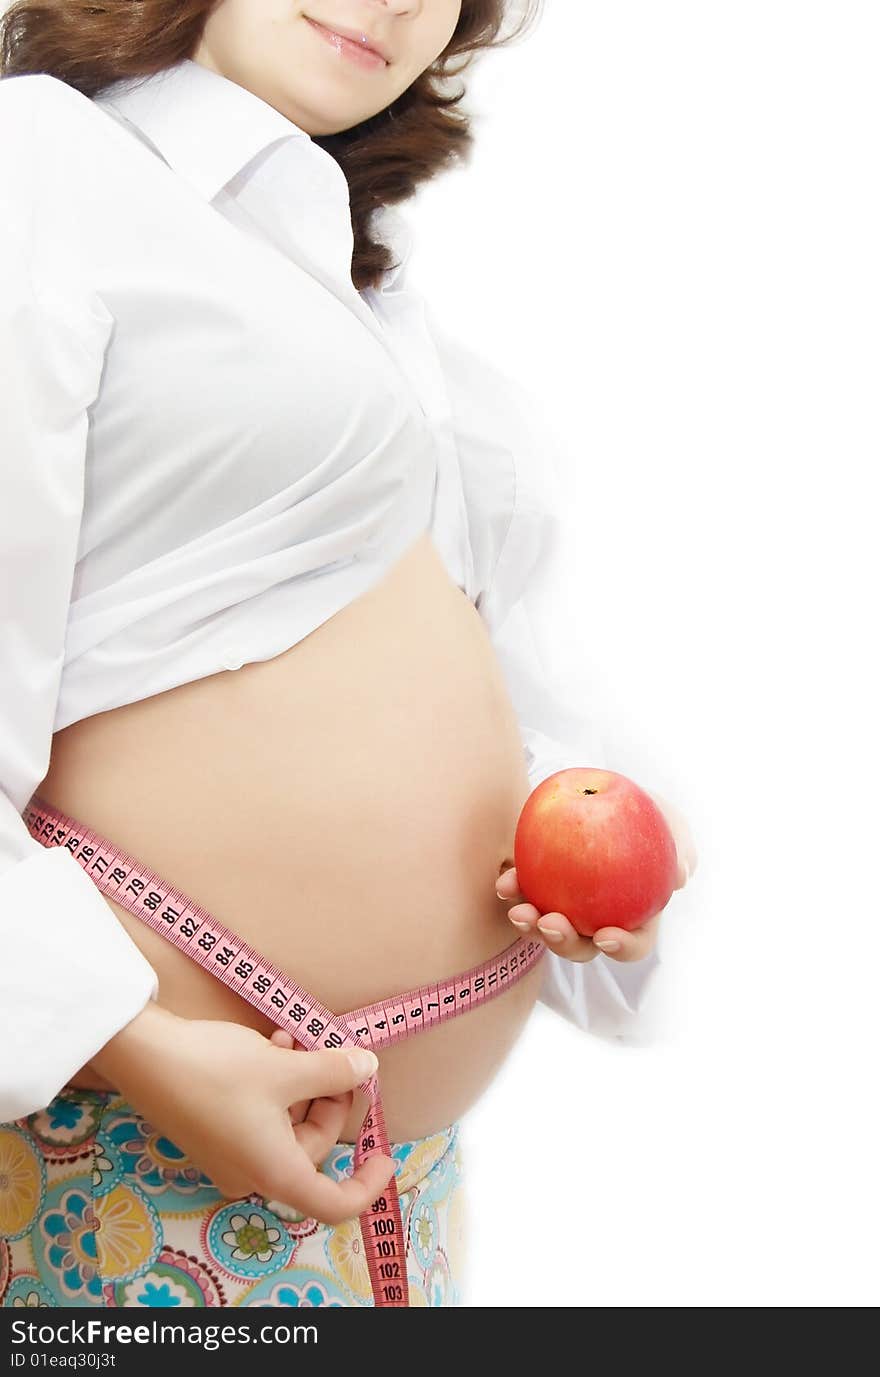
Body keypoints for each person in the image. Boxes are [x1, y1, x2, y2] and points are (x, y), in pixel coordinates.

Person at [0, 0, 696, 1309]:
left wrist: (583, 857)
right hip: (135, 1154)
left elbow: (455, 666)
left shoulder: (371, 290)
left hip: (398, 1187)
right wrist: (134, 1046)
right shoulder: (40, 165)